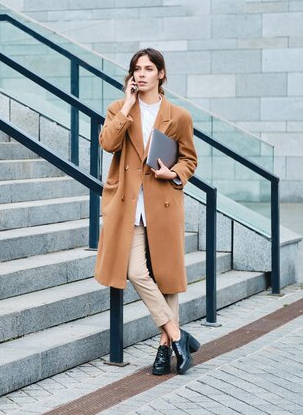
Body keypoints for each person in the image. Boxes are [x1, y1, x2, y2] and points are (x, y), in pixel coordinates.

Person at [94, 48, 200, 375]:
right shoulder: (119, 109)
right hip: (128, 206)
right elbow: (108, 143)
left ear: (161, 74)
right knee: (137, 272)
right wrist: (127, 105)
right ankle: (179, 336)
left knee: (166, 278)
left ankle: (163, 348)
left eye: (148, 69)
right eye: (136, 69)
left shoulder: (178, 116)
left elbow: (189, 160)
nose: (141, 74)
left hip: (163, 204)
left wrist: (175, 173)